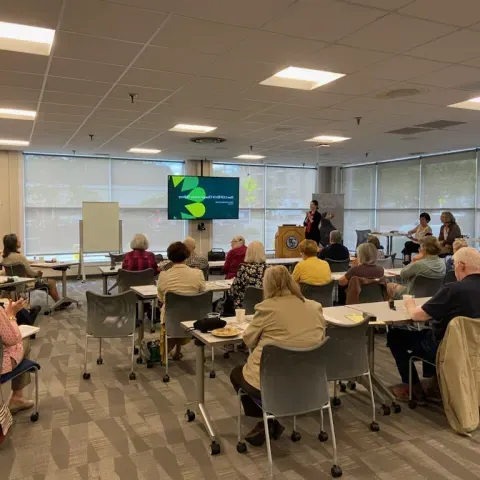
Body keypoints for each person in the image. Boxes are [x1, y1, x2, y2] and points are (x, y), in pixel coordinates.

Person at [230, 265, 326, 446]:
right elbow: (319, 338)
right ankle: (271, 417)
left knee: (236, 373)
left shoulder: (267, 308)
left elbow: (248, 341)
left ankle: (268, 417)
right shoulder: (315, 307)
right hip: (310, 380)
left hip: (272, 380)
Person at [387, 247, 480, 403]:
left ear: (461, 266)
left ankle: (414, 388)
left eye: (455, 265)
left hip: (449, 349)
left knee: (395, 336)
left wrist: (409, 303)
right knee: (430, 332)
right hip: (475, 349)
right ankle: (434, 384)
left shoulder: (453, 289)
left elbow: (417, 316)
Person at [158, 242, 205, 360]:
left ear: (170, 257)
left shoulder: (163, 275)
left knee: (169, 308)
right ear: (187, 255)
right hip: (195, 317)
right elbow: (202, 292)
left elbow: (160, 297)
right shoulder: (198, 273)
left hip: (171, 318)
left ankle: (168, 350)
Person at [1, 234, 60, 304]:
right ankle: (59, 303)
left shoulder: (5, 257)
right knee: (51, 282)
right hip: (25, 283)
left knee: (46, 283)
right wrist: (39, 273)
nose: (20, 241)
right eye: (18, 240)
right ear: (14, 243)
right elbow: (32, 273)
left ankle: (59, 302)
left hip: (13, 283)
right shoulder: (20, 257)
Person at [0, 298, 35, 413]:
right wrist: (11, 315)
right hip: (2, 365)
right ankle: (17, 397)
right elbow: (13, 339)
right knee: (22, 341)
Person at [230, 241, 268, 309]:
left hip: (245, 307)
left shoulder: (243, 269)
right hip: (266, 306)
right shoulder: (270, 269)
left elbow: (233, 291)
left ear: (248, 253)